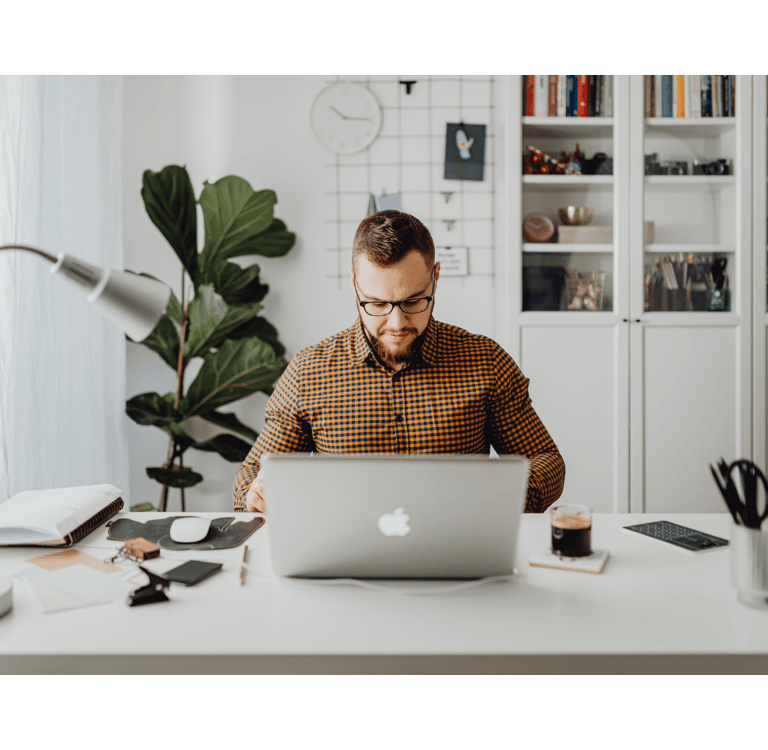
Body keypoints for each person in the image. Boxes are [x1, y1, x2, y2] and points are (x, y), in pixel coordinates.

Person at [232, 210, 565, 513]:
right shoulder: (309, 372)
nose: (396, 324)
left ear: (435, 278)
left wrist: (505, 496)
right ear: (354, 284)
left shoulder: (485, 362)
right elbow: (252, 473)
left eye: (413, 301)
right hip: (344, 561)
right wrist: (256, 492)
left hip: (456, 556)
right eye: (376, 304)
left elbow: (547, 461)